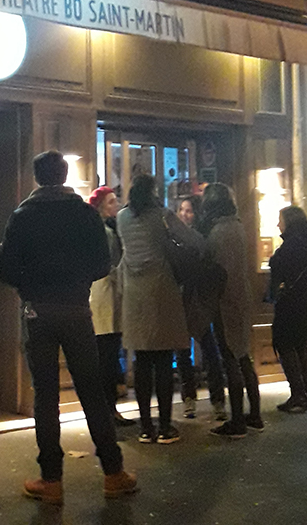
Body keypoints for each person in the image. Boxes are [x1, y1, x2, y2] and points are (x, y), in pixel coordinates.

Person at [0, 150, 137, 505]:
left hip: (38, 311)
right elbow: (103, 263)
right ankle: (114, 473)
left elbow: (5, 269)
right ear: (64, 175)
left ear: (37, 177)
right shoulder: (85, 214)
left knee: (46, 397)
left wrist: (30, 286)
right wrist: (77, 281)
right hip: (77, 309)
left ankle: (51, 480)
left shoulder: (23, 215)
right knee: (91, 391)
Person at [117, 174, 190, 445]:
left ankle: (146, 427)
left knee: (142, 362)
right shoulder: (162, 215)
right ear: (153, 192)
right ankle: (166, 425)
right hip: (161, 292)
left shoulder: (122, 218)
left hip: (134, 296)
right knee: (163, 361)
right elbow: (189, 239)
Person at [200, 183, 262, 437]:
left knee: (230, 358)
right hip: (242, 296)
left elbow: (217, 272)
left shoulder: (218, 232)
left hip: (225, 301)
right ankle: (254, 414)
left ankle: (237, 420)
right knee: (244, 355)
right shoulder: (237, 226)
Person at [175, 196, 227, 421]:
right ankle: (189, 398)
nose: (184, 215)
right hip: (183, 298)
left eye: (189, 210)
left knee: (209, 349)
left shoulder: (200, 238)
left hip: (199, 298)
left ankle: (217, 400)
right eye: (181, 210)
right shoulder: (176, 238)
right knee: (183, 351)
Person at [269, 205, 307, 412]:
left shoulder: (293, 244)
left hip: (293, 301)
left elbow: (280, 266)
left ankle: (298, 393)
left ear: (289, 222)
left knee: (285, 343)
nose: (278, 224)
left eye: (281, 220)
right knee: (301, 345)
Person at [88, 186, 134, 427]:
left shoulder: (94, 230)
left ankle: (106, 409)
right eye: (111, 202)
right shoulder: (107, 232)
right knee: (108, 355)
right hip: (107, 297)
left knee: (103, 355)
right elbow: (113, 265)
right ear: (100, 207)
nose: (116, 206)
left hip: (99, 298)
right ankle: (110, 409)